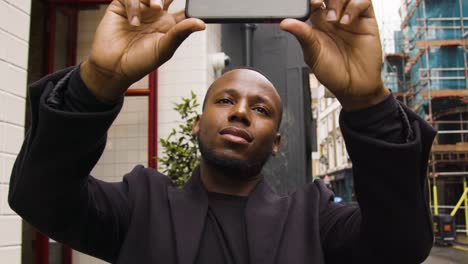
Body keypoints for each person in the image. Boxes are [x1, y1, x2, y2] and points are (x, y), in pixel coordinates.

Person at [8, 0, 435, 263]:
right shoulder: (138, 207)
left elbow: (400, 245)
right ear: (198, 123)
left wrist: (368, 101)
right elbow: (40, 197)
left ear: (277, 143)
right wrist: (97, 80)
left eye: (261, 108)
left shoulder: (314, 220)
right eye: (226, 100)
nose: (241, 112)